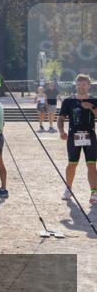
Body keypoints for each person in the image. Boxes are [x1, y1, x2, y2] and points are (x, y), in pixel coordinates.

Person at [57, 73, 97, 205]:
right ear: (76, 85)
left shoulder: (94, 100)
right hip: (73, 136)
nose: (81, 87)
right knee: (72, 164)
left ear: (89, 86)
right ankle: (68, 189)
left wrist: (91, 107)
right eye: (78, 84)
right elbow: (61, 118)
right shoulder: (68, 101)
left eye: (84, 84)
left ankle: (94, 193)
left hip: (89, 136)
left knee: (91, 165)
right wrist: (62, 131)